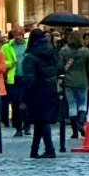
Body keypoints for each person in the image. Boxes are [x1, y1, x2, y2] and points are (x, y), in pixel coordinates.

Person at [19, 28, 60, 159]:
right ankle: (34, 150)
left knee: (41, 121)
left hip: (36, 92)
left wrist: (23, 97)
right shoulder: (51, 53)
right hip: (50, 89)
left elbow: (28, 80)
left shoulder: (30, 57)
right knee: (40, 121)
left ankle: (49, 149)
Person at [57, 30, 89, 139]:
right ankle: (81, 123)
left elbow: (59, 67)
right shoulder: (86, 51)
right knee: (82, 104)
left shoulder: (63, 51)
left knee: (72, 105)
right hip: (82, 80)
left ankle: (74, 131)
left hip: (68, 81)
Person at [1, 25, 27, 135]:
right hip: (13, 77)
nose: (18, 37)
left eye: (20, 35)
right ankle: (18, 127)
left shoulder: (28, 45)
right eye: (15, 35)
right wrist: (10, 63)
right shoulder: (6, 47)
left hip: (26, 76)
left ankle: (27, 124)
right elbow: (1, 61)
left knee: (25, 102)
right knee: (15, 103)